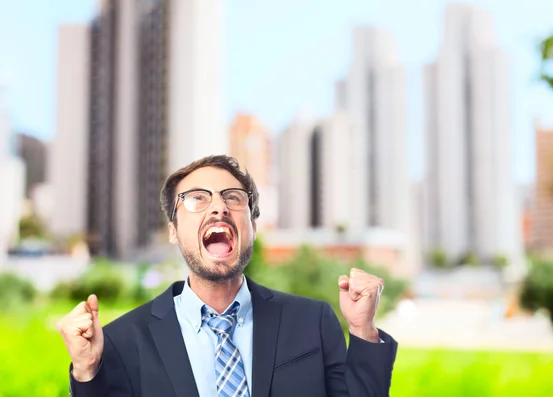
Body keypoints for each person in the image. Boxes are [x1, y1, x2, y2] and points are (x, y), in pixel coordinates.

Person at [57, 155, 398, 397]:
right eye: (196, 199)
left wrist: (363, 330)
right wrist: (87, 371)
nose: (218, 207)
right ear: (174, 231)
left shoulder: (312, 321)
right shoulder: (122, 341)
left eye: (233, 198)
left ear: (252, 226)